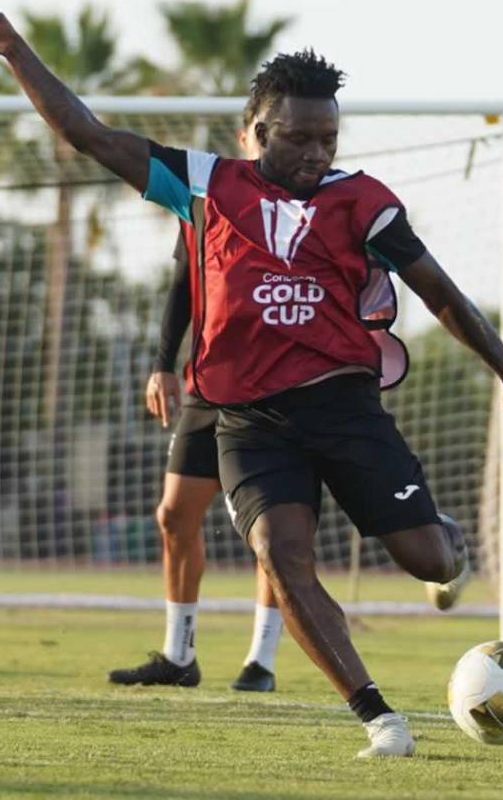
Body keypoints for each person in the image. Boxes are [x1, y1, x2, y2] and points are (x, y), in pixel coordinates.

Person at [0, 2, 503, 757]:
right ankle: (379, 717)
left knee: (426, 560)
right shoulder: (201, 185)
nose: (313, 152)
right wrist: (16, 53)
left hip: (345, 409)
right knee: (280, 555)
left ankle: (448, 541)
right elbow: (89, 135)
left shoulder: (363, 201)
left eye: (326, 138)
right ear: (256, 133)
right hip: (249, 422)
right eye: (297, 138)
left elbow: (441, 293)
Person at [109, 100, 284, 693]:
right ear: (246, 136)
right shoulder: (205, 200)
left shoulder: (308, 209)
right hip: (207, 386)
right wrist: (162, 366)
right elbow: (184, 285)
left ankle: (261, 661)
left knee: (273, 531)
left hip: (278, 392)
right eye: (260, 134)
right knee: (174, 514)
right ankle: (179, 655)